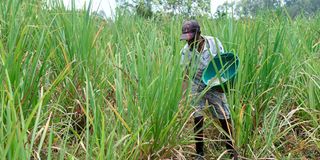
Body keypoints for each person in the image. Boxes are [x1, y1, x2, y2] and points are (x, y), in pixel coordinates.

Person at [180, 20, 237, 160]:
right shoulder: (185, 52)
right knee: (197, 117)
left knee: (224, 115)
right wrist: (182, 95)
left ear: (198, 34)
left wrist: (223, 85)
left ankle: (231, 151)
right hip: (197, 83)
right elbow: (186, 73)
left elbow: (223, 64)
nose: (189, 43)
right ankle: (199, 154)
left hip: (214, 81)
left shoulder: (214, 43)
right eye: (186, 39)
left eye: (191, 39)